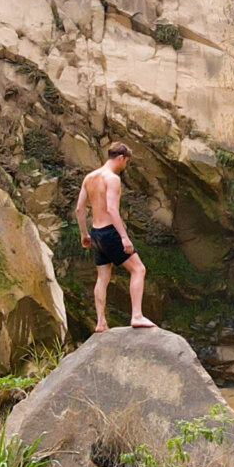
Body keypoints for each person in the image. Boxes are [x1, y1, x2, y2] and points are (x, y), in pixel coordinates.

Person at [75, 141, 153, 332]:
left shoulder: (89, 178)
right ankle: (136, 315)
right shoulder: (112, 179)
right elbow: (111, 209)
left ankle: (101, 322)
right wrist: (124, 237)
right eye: (126, 161)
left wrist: (84, 234)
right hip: (110, 231)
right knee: (138, 269)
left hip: (96, 233)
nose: (125, 165)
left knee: (103, 276)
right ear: (120, 158)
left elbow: (79, 209)